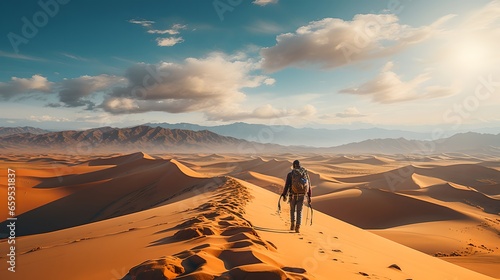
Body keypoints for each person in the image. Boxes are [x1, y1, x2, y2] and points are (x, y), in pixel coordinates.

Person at [281, 160, 311, 233]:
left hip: (293, 195)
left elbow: (287, 186)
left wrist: (284, 194)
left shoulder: (290, 174)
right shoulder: (305, 174)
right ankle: (298, 227)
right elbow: (309, 186)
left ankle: (292, 225)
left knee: (292, 210)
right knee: (299, 211)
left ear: (293, 165)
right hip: (302, 195)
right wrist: (309, 196)